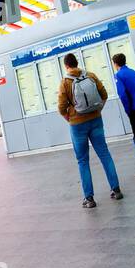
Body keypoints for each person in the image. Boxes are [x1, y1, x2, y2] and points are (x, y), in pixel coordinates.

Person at [57, 52, 122, 209]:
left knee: (83, 161)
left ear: (66, 66)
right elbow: (104, 95)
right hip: (95, 120)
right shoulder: (91, 75)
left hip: (77, 125)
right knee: (105, 155)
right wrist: (97, 110)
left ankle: (89, 198)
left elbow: (61, 107)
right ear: (77, 62)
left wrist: (70, 119)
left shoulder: (65, 82)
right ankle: (116, 190)